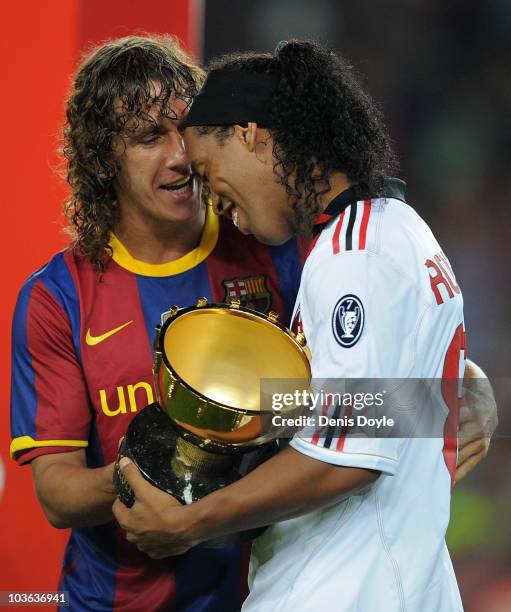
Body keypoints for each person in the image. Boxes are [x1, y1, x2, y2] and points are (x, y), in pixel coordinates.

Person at [113, 41, 497, 611]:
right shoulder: (396, 228)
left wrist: (193, 521)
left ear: (250, 135)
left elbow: (349, 454)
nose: (213, 199)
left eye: (206, 171)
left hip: (340, 590)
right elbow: (377, 409)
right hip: (396, 584)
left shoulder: (353, 256)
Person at [9, 35, 305, 611]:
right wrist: (158, 470)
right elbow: (57, 493)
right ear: (100, 160)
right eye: (149, 137)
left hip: (268, 595)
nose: (181, 155)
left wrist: (451, 383)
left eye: (187, 128)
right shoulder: (58, 297)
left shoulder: (271, 244)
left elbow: (356, 401)